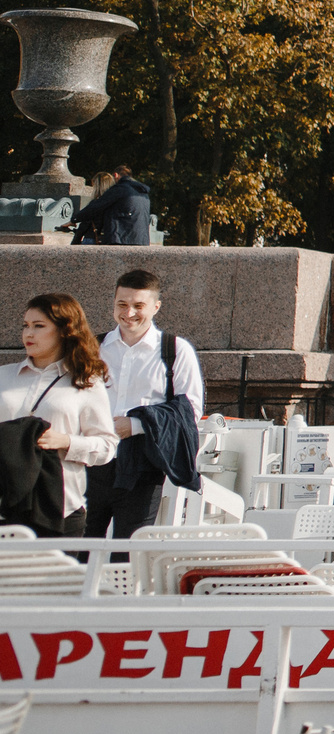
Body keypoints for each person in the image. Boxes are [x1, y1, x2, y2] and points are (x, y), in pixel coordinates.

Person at [90, 268, 206, 538]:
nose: (129, 313)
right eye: (122, 304)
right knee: (75, 549)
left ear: (156, 307)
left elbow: (191, 410)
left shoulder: (175, 349)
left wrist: (135, 425)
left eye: (138, 306)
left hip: (142, 465)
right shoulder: (93, 347)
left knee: (130, 549)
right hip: (91, 459)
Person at [0, 294, 118, 534]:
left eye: (39, 326)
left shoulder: (86, 382)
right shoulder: (4, 376)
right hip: (5, 504)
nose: (28, 334)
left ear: (64, 331)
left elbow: (107, 446)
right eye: (25, 326)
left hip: (61, 508)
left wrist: (66, 441)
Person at [69, 167, 152, 247]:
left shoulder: (120, 189)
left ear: (115, 175)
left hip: (121, 239)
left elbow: (95, 207)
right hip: (141, 239)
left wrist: (74, 219)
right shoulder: (142, 192)